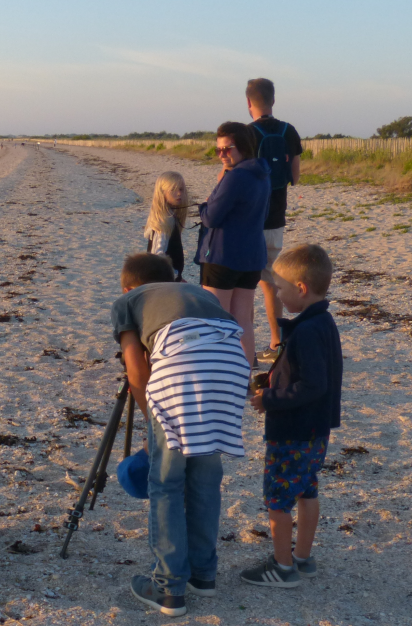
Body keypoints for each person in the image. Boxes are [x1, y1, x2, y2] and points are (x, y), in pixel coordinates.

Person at [111, 253, 250, 616]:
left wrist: (151, 421)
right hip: (232, 369)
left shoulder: (128, 301)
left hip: (182, 372)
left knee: (166, 481)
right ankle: (203, 574)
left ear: (128, 287)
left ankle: (168, 587)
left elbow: (136, 372)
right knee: (205, 477)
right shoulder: (196, 292)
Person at [239, 244, 343, 589]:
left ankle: (283, 567)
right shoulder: (321, 322)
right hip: (315, 430)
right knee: (307, 490)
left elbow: (312, 385)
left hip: (293, 431)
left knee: (278, 499)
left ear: (301, 288)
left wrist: (269, 398)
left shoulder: (309, 331)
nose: (278, 296)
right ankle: (303, 558)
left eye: (281, 289)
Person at [197, 122, 271, 367]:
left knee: (215, 319)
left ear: (243, 147)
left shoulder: (236, 176)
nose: (221, 155)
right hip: (251, 257)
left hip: (223, 256)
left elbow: (211, 217)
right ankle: (244, 374)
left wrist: (206, 203)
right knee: (243, 321)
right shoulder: (263, 174)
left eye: (227, 149)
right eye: (218, 150)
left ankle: (218, 372)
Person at [244, 78, 305, 363]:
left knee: (249, 285)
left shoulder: (246, 134)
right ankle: (275, 342)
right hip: (277, 217)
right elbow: (295, 176)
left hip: (250, 219)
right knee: (271, 282)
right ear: (273, 100)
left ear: (248, 103)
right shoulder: (288, 130)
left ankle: (259, 346)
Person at [144, 171, 190, 281]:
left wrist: (178, 277)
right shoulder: (164, 219)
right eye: (173, 190)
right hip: (163, 281)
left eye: (181, 189)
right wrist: (174, 277)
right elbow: (157, 255)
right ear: (162, 192)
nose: (179, 193)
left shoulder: (169, 216)